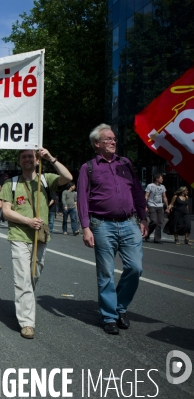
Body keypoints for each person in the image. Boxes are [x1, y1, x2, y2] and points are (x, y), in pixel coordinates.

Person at [77, 124, 148, 335]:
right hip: (101, 224)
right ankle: (109, 316)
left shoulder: (125, 163)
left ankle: (119, 307)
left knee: (135, 268)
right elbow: (82, 198)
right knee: (106, 272)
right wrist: (85, 227)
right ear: (96, 144)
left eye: (114, 138)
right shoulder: (88, 167)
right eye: (108, 139)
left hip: (129, 223)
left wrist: (143, 217)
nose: (113, 142)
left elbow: (136, 190)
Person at [0, 149, 72, 339]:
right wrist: (28, 221)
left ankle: (26, 304)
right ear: (19, 161)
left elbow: (67, 177)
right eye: (23, 156)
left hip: (40, 237)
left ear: (37, 159)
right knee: (23, 278)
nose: (27, 159)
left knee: (34, 275)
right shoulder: (11, 184)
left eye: (31, 156)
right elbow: (6, 212)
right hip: (19, 236)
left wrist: (51, 158)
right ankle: (27, 322)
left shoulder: (45, 179)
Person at [144, 174, 168, 243]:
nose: (162, 180)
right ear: (157, 179)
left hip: (160, 206)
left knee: (160, 222)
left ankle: (157, 239)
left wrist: (167, 206)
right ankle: (147, 234)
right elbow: (146, 196)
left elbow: (164, 197)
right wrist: (145, 206)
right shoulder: (150, 186)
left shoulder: (162, 187)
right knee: (154, 221)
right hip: (151, 205)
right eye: (161, 178)